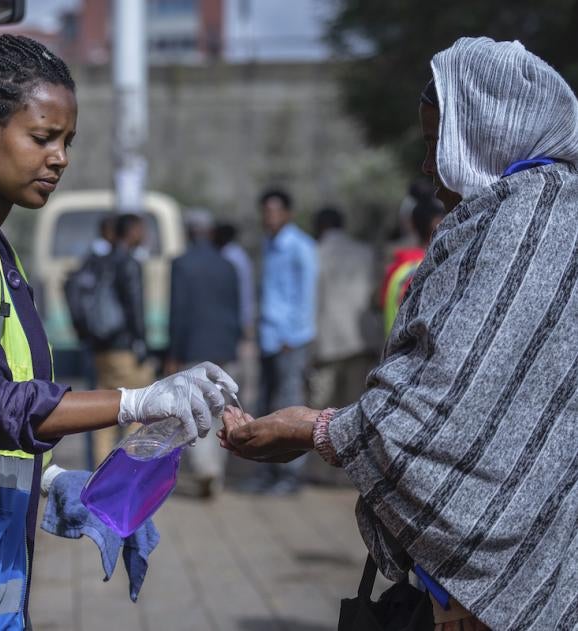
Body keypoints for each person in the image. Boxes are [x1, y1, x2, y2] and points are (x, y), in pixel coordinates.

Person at [0, 35, 236, 630]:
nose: (59, 157)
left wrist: (54, 481)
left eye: (67, 141)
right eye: (42, 138)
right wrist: (135, 401)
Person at [220, 37, 578, 630]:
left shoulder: (522, 225)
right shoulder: (542, 213)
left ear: (488, 133)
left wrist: (314, 427)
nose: (427, 164)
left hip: (491, 590)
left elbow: (445, 416)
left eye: (439, 141)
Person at [166, 209, 241, 497]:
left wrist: (173, 351)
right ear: (209, 233)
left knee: (196, 409)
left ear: (188, 233)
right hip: (223, 348)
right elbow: (236, 309)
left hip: (193, 348)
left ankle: (205, 468)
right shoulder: (228, 265)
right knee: (221, 408)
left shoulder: (181, 264)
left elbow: (179, 312)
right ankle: (216, 471)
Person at [252, 187, 318, 494]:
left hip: (290, 340)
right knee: (266, 404)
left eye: (276, 211)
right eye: (266, 211)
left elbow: (306, 294)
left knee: (288, 404)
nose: (270, 217)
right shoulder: (269, 243)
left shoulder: (300, 246)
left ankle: (290, 476)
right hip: (268, 336)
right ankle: (268, 471)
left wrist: (292, 335)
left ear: (288, 214)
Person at [309, 207, 378, 484]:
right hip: (361, 340)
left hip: (325, 342)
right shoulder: (365, 252)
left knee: (319, 410)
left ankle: (320, 471)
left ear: (320, 226)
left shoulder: (314, 253)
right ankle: (351, 473)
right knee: (353, 410)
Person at [88, 211, 153, 464]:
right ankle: (129, 470)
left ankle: (100, 470)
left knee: (103, 414)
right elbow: (135, 308)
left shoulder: (99, 261)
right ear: (133, 231)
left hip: (101, 348)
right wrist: (142, 343)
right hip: (125, 348)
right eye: (142, 230)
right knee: (138, 411)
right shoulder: (129, 263)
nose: (144, 236)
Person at [380, 196, 445, 335]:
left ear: (412, 225)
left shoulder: (396, 267)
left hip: (393, 349)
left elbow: (383, 303)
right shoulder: (441, 266)